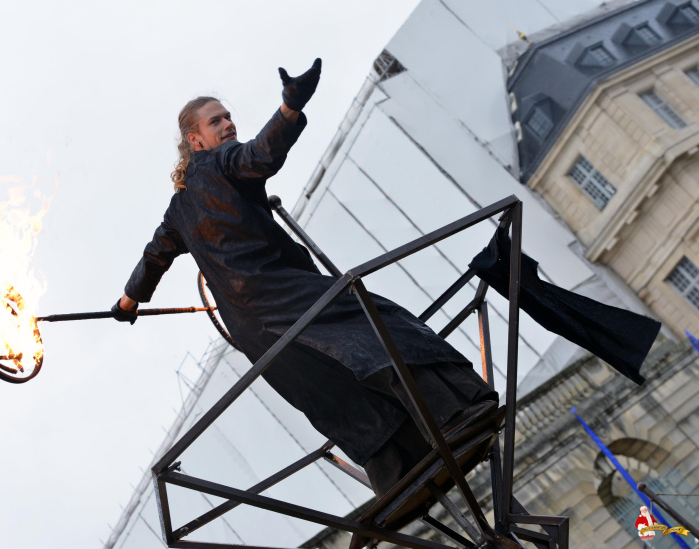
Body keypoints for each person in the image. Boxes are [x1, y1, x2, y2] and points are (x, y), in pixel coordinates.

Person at [112, 58, 498, 496]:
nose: (228, 124)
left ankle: (400, 470)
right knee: (377, 328)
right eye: (216, 120)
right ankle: (456, 411)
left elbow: (153, 257)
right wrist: (290, 108)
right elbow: (261, 155)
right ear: (195, 139)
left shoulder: (178, 209)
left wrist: (127, 303)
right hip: (279, 291)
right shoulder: (221, 161)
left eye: (229, 116)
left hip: (251, 330)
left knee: (327, 390)